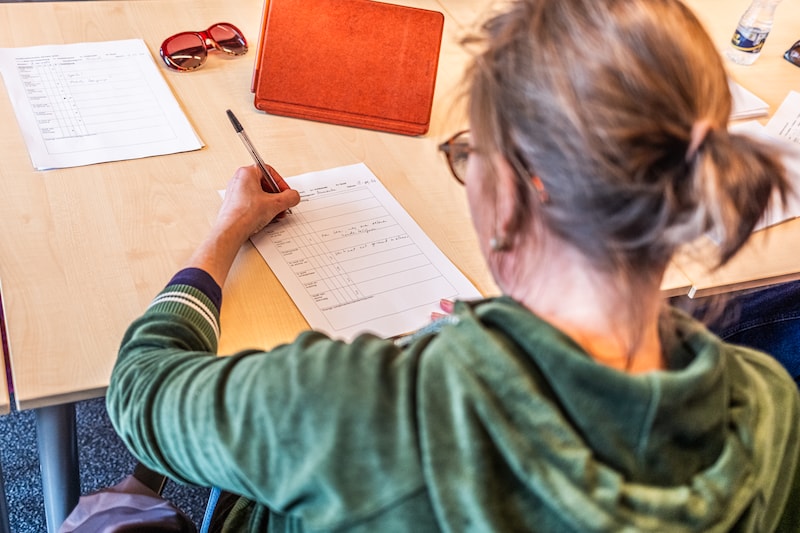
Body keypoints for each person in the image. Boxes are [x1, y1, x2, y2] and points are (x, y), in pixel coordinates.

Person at [106, 0, 800, 531]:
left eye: (468, 153)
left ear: (517, 189)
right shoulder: (768, 404)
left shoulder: (365, 406)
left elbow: (141, 390)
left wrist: (224, 233)